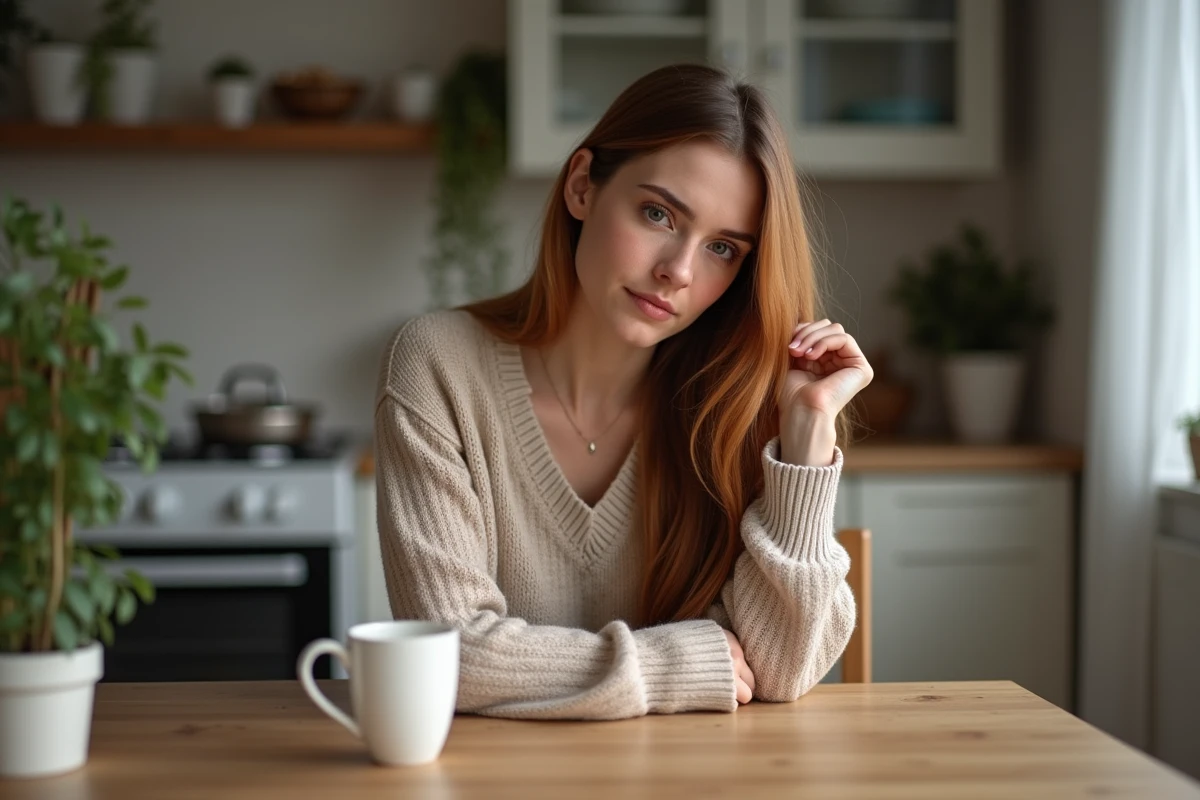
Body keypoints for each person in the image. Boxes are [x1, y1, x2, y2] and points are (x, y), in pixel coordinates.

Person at [373, 63, 874, 721]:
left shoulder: (740, 403)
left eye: (723, 248)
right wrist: (677, 664)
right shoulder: (440, 364)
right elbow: (445, 656)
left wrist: (807, 439)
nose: (678, 271)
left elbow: (778, 672)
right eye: (658, 213)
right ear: (583, 186)